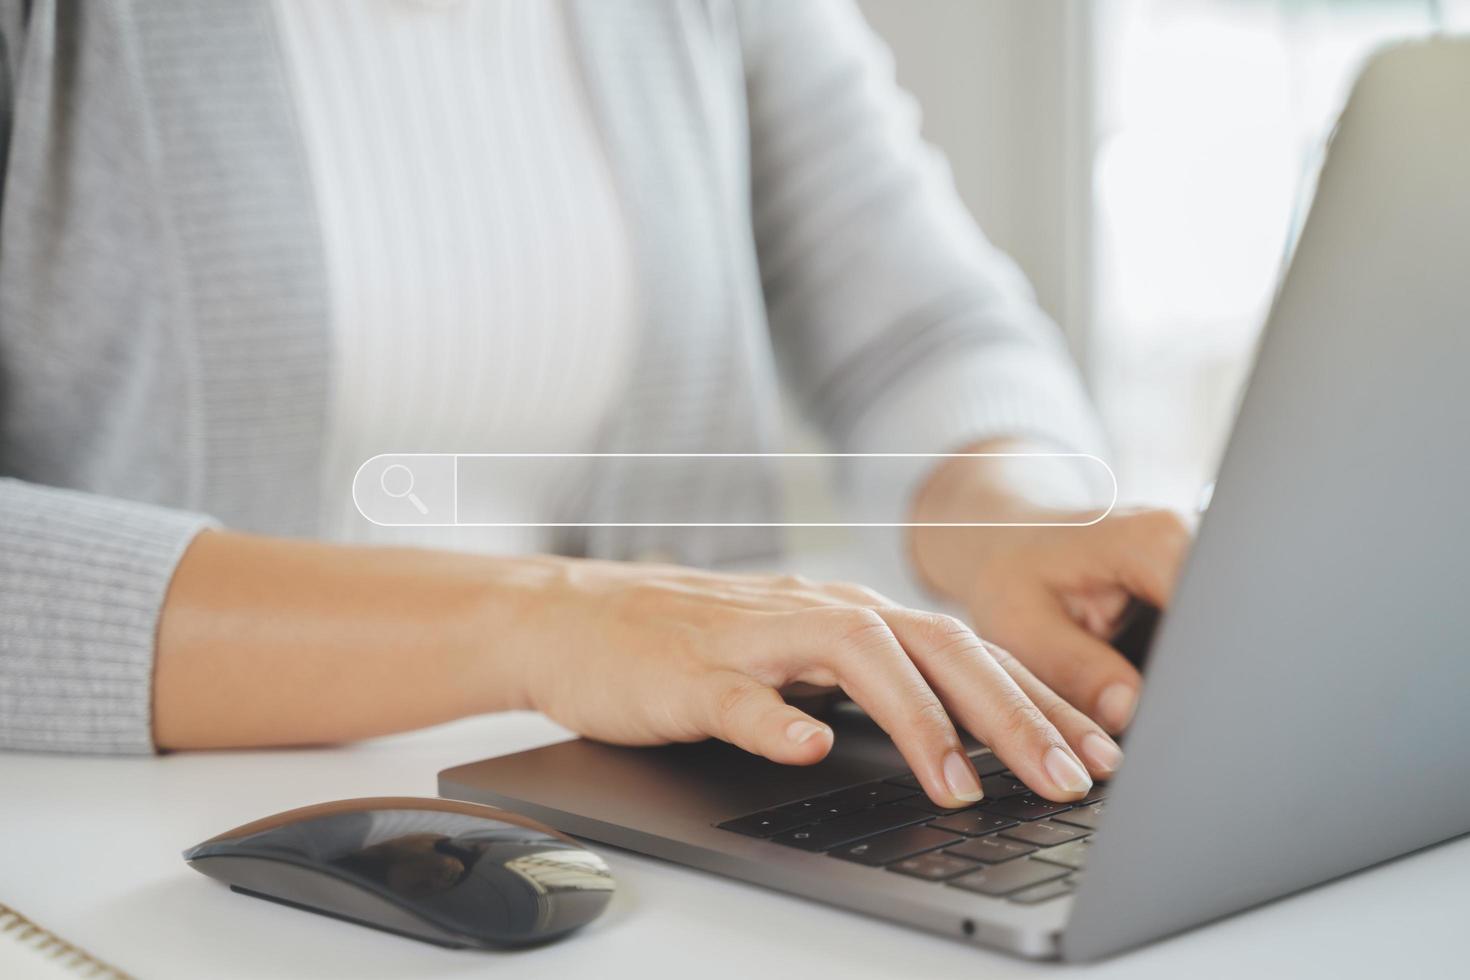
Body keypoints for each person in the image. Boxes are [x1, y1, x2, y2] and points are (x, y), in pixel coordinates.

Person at [0, 0, 1188, 810]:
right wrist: (543, 623)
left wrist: (1010, 516)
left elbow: (925, 326)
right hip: (148, 852)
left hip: (666, 825)